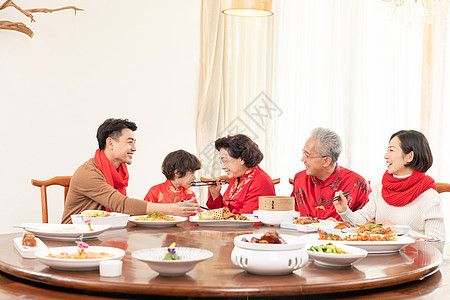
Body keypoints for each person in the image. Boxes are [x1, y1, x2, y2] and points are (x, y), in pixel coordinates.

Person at [61, 118, 199, 223]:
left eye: (134, 142)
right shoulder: (88, 172)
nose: (134, 148)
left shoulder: (119, 172)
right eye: (129, 142)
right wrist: (172, 209)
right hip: (76, 237)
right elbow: (121, 204)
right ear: (110, 143)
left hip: (101, 231)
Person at [334, 130, 446, 240]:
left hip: (414, 257)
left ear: (409, 156)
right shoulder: (380, 187)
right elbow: (364, 218)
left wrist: (398, 230)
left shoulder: (429, 196)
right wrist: (344, 210)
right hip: (380, 255)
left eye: (391, 150)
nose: (385, 156)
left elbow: (437, 241)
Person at [291, 127, 371, 221]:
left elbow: (366, 225)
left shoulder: (357, 184)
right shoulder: (300, 178)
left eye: (307, 155)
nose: (302, 159)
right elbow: (292, 218)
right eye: (303, 153)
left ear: (326, 161)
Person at [207, 134, 275, 214]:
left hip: (248, 226)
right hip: (231, 226)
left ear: (242, 159)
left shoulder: (261, 181)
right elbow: (226, 213)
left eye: (225, 161)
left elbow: (246, 219)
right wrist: (215, 195)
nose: (222, 166)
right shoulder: (236, 177)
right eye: (221, 161)